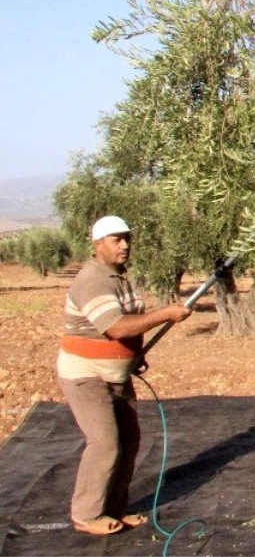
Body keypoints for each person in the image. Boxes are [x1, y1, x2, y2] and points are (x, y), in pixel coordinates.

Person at [56, 215, 192, 536]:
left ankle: (115, 508)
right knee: (105, 442)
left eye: (127, 238)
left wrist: (133, 354)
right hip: (85, 375)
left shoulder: (119, 278)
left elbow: (126, 326)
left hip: (117, 375)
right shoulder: (93, 280)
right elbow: (115, 327)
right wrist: (166, 314)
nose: (125, 245)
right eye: (116, 240)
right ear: (97, 244)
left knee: (129, 441)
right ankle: (87, 514)